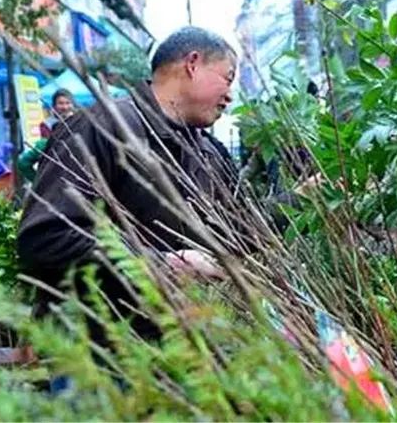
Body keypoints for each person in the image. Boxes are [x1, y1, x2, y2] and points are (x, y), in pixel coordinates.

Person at [17, 26, 240, 341]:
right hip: (99, 353)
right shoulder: (100, 128)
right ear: (192, 63)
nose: (230, 95)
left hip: (174, 346)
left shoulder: (203, 150)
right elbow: (47, 237)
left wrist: (303, 197)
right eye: (227, 78)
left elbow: (232, 229)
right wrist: (165, 264)